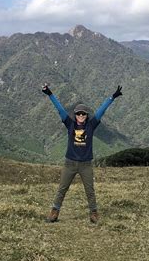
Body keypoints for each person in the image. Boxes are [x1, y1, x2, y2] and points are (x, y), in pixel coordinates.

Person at [42, 83, 123, 223]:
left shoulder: (91, 125)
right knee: (62, 188)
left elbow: (101, 111)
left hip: (86, 164)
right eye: (78, 113)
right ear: (75, 115)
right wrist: (50, 94)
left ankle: (93, 213)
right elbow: (59, 108)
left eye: (83, 114)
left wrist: (112, 97)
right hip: (70, 163)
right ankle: (54, 212)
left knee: (90, 190)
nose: (80, 116)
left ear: (86, 116)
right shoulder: (70, 124)